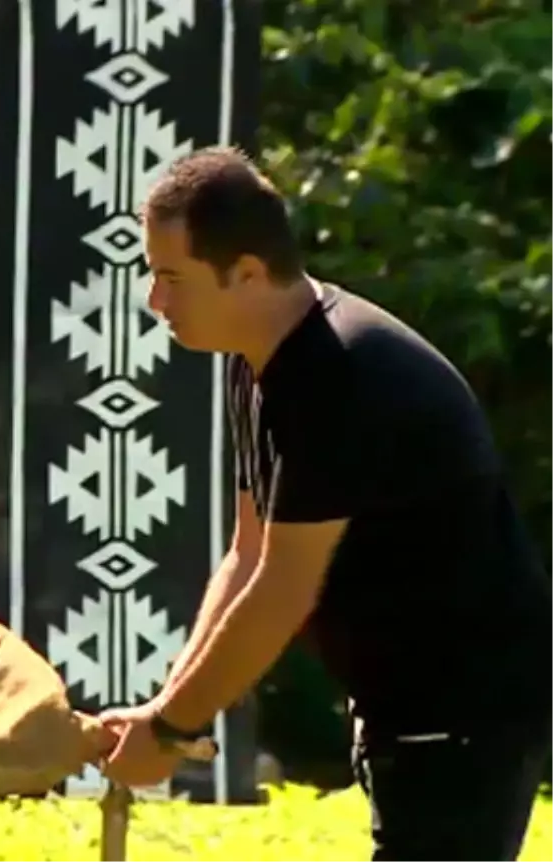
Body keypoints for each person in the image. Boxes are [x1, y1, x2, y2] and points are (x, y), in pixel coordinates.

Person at [98, 146, 553, 861]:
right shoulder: (258, 362)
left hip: (468, 710)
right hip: (402, 707)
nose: (155, 301)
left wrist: (166, 732)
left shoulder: (336, 376)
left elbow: (282, 589)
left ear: (246, 272)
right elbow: (247, 554)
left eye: (171, 278)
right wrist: (167, 712)